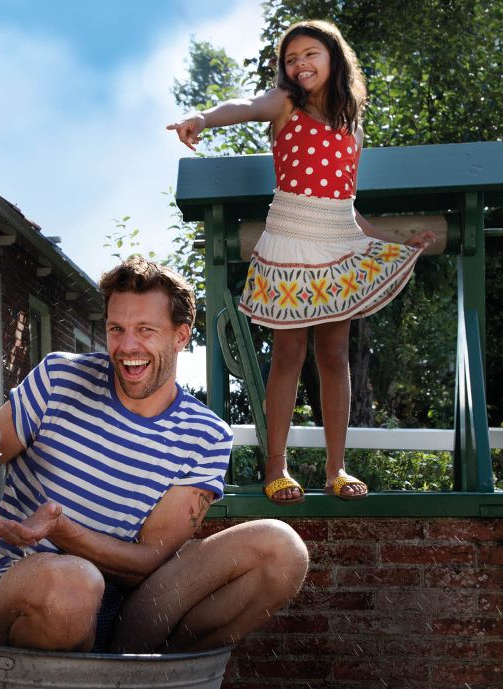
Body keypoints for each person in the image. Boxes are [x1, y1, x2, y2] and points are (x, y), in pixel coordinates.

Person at [0, 256, 308, 654]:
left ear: (181, 336)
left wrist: (64, 531)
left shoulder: (206, 436)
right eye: (117, 329)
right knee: (76, 583)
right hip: (24, 592)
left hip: (126, 611)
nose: (127, 346)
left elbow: (148, 560)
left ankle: (148, 678)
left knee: (281, 548)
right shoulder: (59, 379)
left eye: (145, 330)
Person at [167, 19, 436, 505]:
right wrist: (203, 118)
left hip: (336, 242)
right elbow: (245, 107)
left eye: (310, 53)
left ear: (334, 57)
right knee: (288, 354)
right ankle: (277, 466)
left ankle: (337, 467)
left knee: (334, 354)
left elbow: (344, 203)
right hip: (291, 240)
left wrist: (390, 243)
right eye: (291, 59)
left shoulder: (352, 125)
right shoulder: (284, 103)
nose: (300, 64)